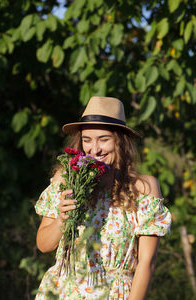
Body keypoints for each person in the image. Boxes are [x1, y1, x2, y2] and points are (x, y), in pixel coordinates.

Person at [35, 96, 172, 300]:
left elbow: (147, 262)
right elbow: (44, 245)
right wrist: (61, 220)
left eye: (104, 139)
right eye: (87, 139)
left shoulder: (143, 188)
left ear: (120, 141)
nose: (94, 149)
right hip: (62, 291)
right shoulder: (66, 179)